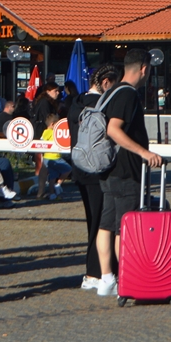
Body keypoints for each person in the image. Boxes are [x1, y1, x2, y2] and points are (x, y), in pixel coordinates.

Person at [95, 49, 164, 299]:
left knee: (106, 225)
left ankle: (106, 279)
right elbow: (114, 129)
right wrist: (144, 152)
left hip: (108, 169)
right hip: (126, 171)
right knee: (123, 227)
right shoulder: (129, 95)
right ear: (144, 69)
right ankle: (125, 280)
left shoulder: (110, 92)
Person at [67, 63, 119, 291]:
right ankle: (97, 272)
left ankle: (91, 272)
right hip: (99, 170)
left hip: (80, 168)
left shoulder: (75, 104)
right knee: (103, 223)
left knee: (92, 220)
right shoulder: (102, 106)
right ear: (106, 82)